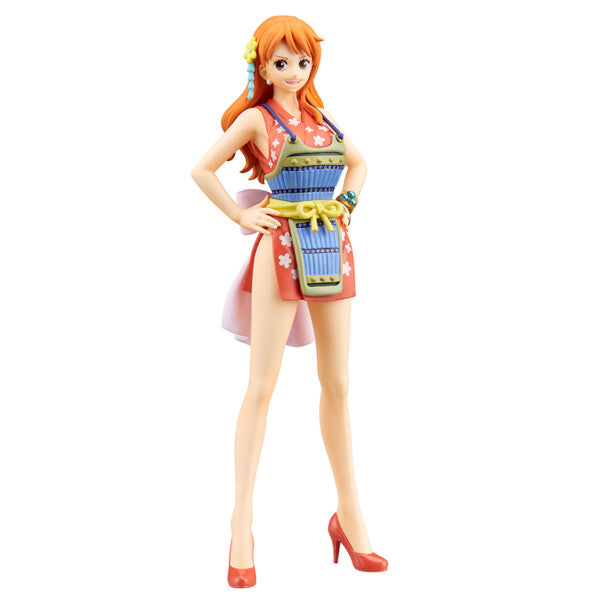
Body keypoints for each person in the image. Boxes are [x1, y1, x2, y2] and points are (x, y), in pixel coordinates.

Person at [191, 15, 388, 588]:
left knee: (338, 383)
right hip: (279, 247)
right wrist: (241, 213)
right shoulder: (257, 119)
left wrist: (347, 203)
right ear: (262, 64)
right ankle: (241, 524)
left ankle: (349, 514)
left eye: (303, 62)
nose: (294, 71)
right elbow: (202, 169)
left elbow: (360, 163)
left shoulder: (324, 120)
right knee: (262, 384)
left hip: (331, 246)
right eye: (282, 62)